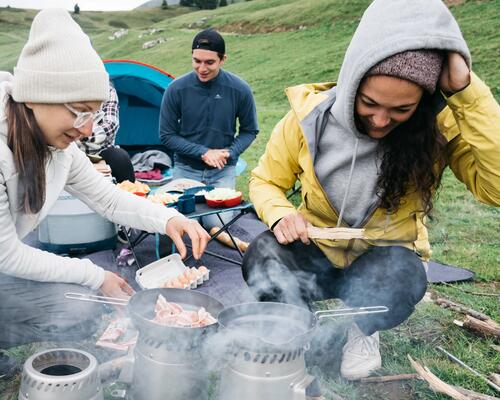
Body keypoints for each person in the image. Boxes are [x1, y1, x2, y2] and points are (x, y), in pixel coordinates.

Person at [243, 0, 500, 381]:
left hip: (379, 264)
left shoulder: (440, 128)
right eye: (369, 103)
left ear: (423, 103)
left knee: (404, 277)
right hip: (318, 251)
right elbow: (264, 181)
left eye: (401, 110)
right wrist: (281, 213)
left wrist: (467, 93)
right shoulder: (308, 119)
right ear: (352, 82)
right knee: (262, 255)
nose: (381, 121)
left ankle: (360, 330)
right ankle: (299, 323)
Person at [0, 8, 209, 377]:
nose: (87, 129)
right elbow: (8, 255)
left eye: (94, 114)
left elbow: (108, 198)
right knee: (88, 290)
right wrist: (95, 275)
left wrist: (169, 218)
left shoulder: (59, 150)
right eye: (80, 112)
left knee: (80, 310)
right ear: (35, 96)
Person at [159, 28, 259, 190]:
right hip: (185, 168)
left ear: (223, 59)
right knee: (183, 215)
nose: (202, 68)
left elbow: (250, 130)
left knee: (221, 216)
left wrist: (229, 152)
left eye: (209, 62)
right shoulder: (176, 89)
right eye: (197, 61)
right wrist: (204, 152)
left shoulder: (240, 89)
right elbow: (167, 135)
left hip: (223, 168)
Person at [77, 81, 136, 183]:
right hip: (71, 148)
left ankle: (131, 192)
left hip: (101, 149)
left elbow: (110, 125)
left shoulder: (107, 91)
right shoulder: (68, 90)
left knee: (120, 158)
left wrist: (82, 134)